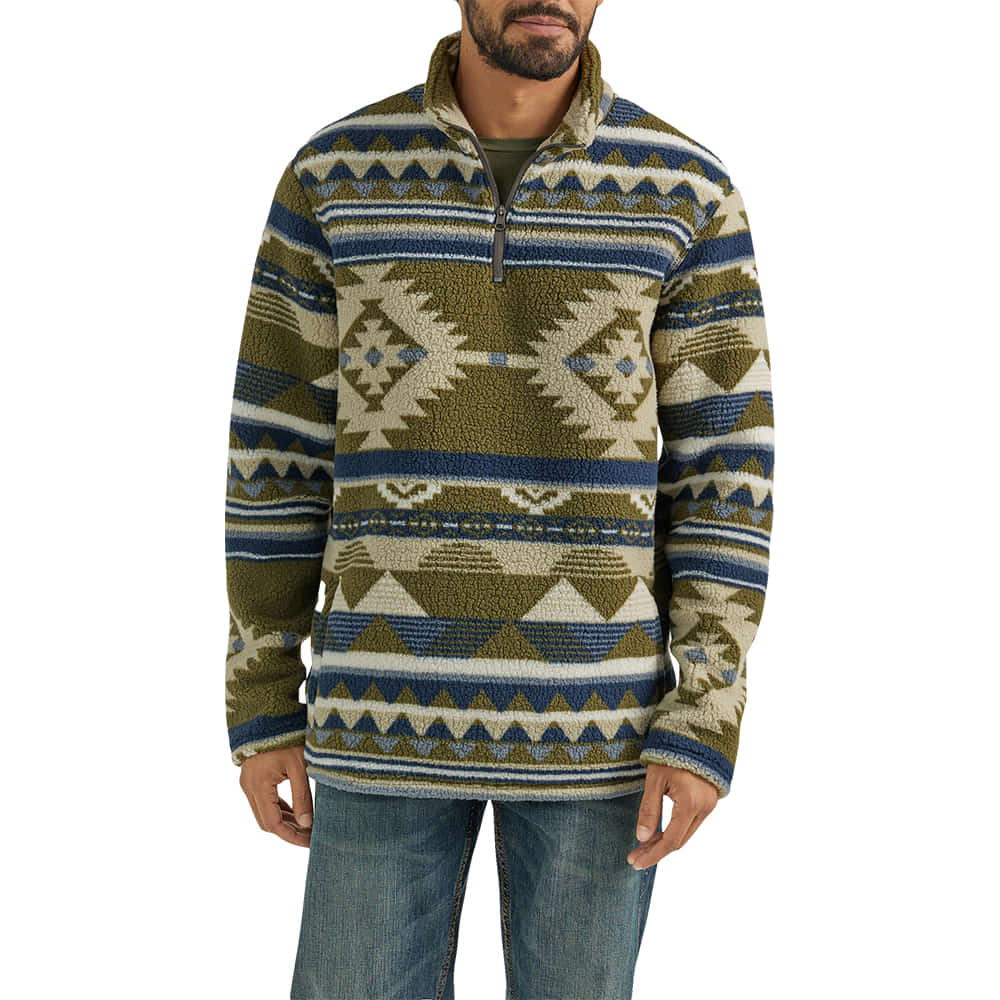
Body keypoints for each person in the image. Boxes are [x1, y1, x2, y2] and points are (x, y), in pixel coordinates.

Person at [223, 2, 774, 996]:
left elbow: (724, 474)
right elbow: (275, 452)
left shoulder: (686, 190)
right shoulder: (333, 176)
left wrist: (706, 714)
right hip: (378, 717)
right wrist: (261, 699)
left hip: (601, 732)